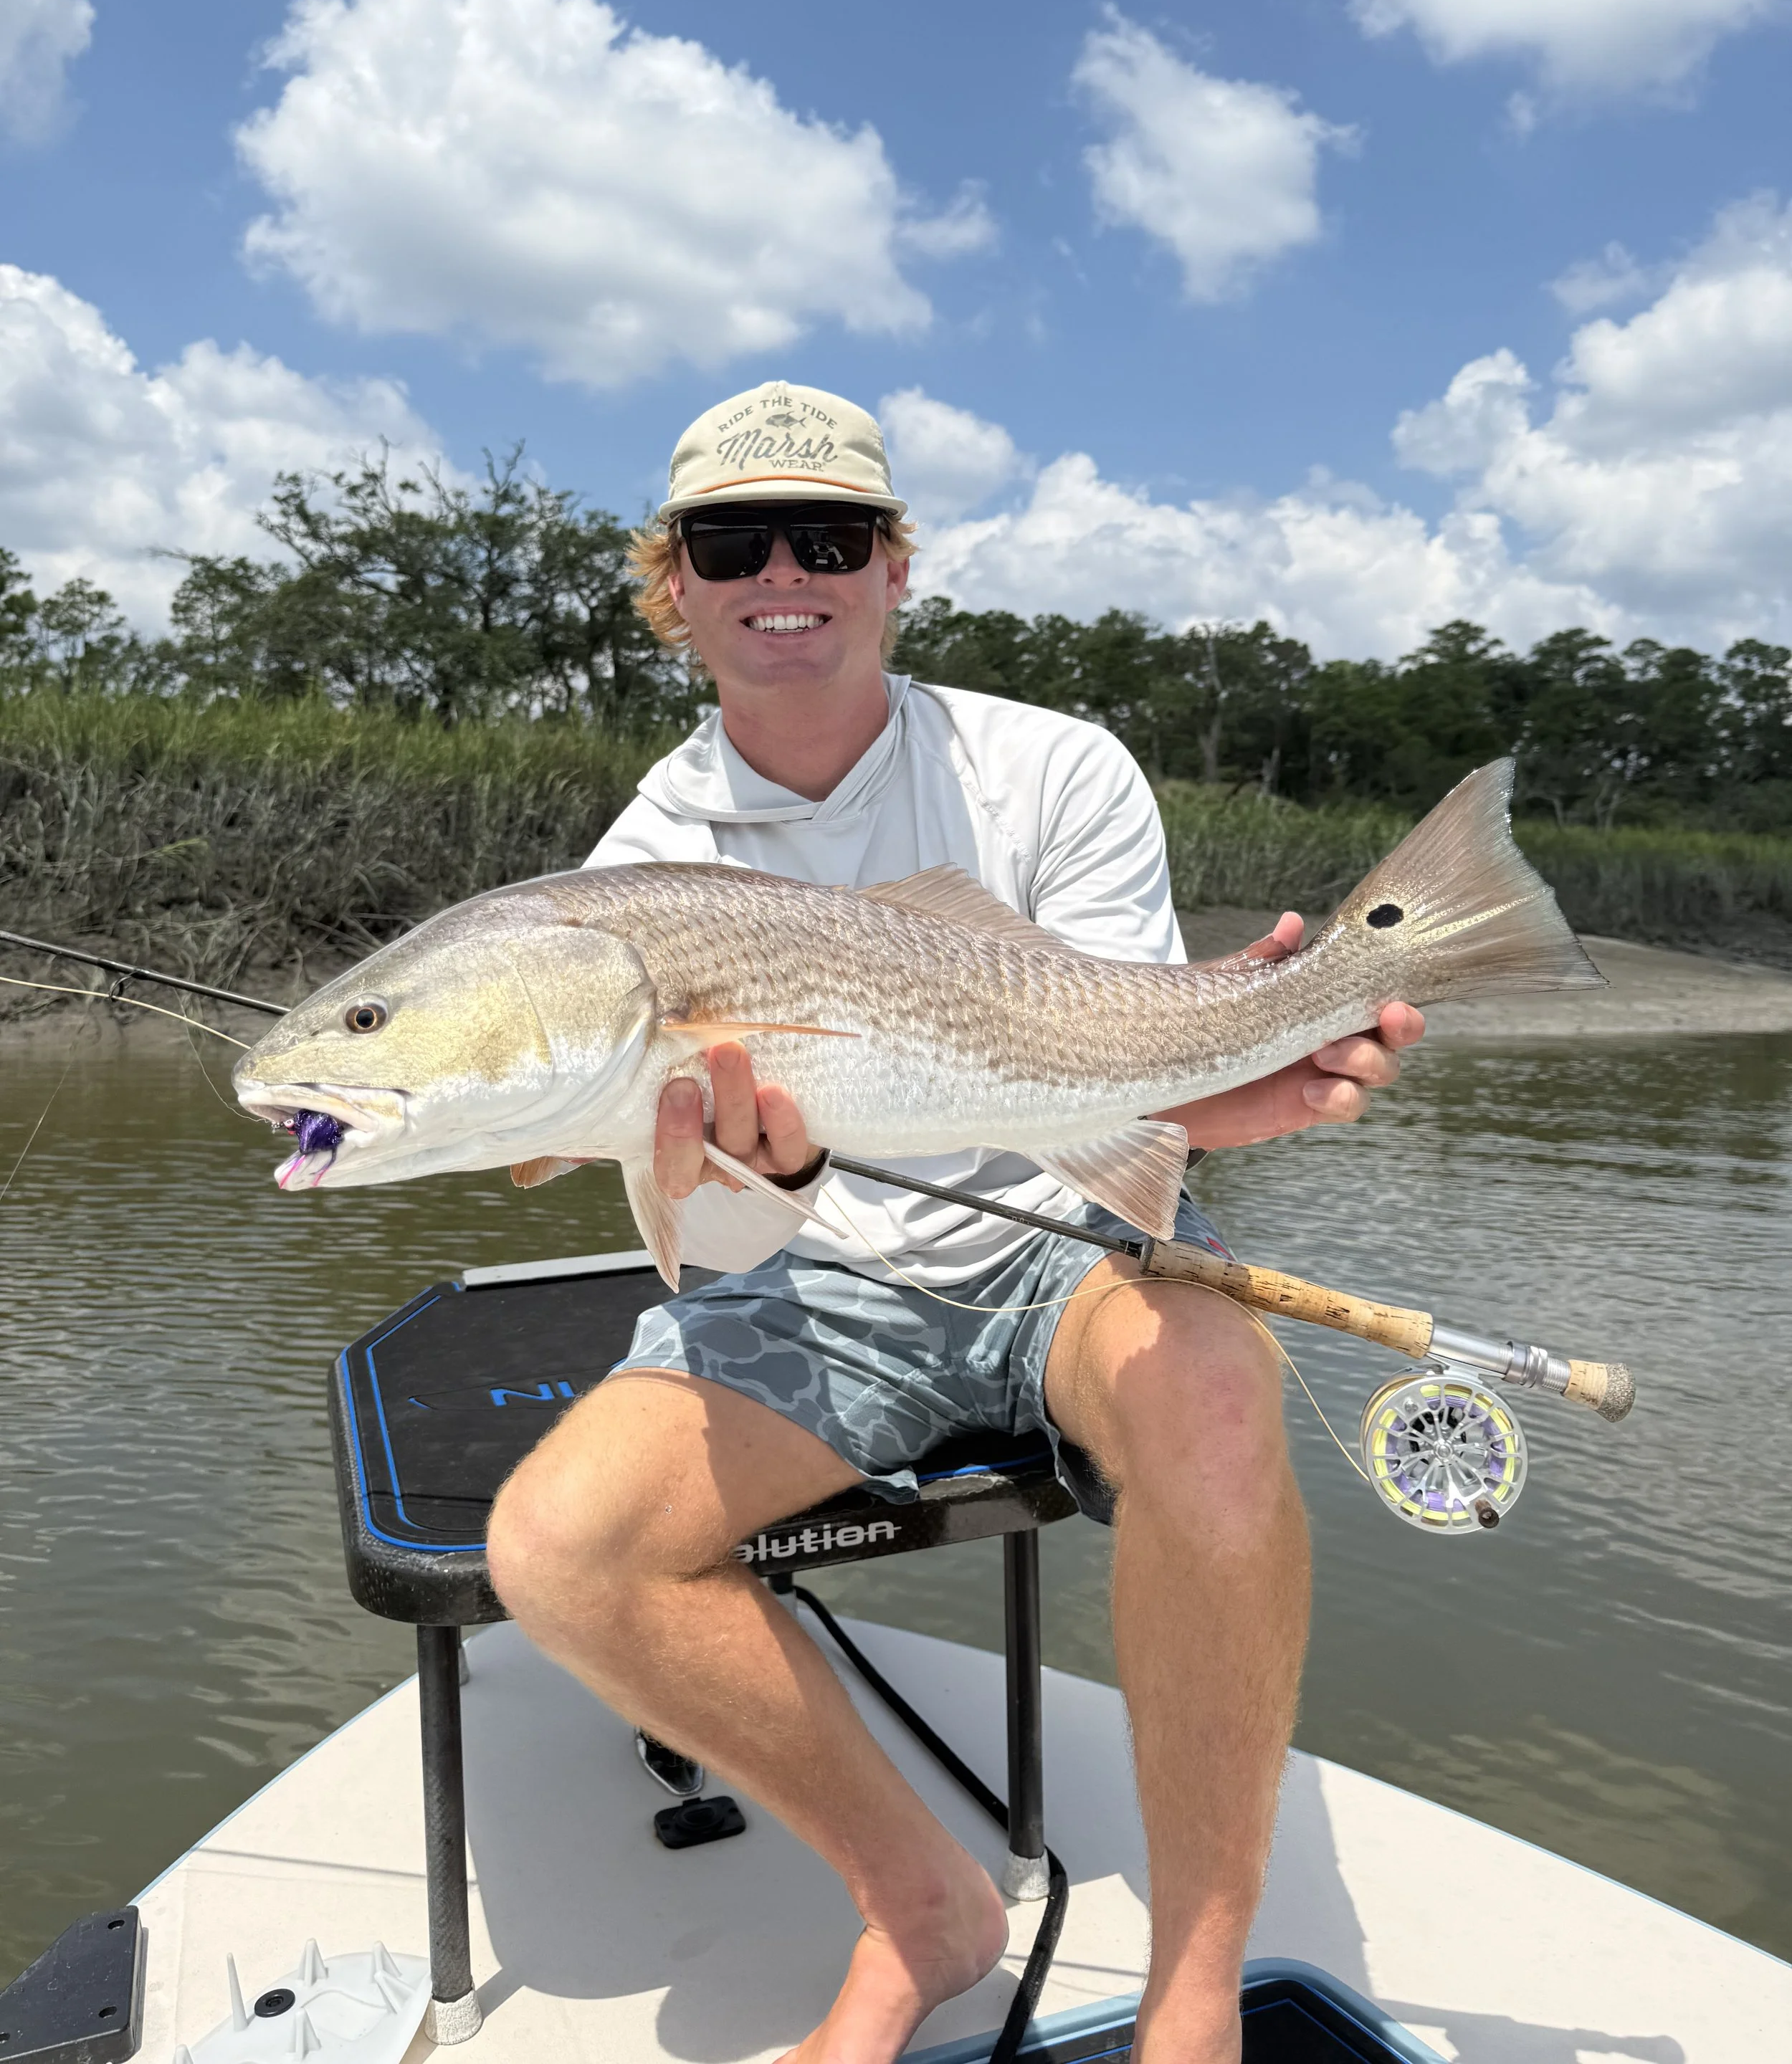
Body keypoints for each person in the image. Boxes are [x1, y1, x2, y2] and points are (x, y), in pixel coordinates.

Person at [486, 381, 1425, 2064]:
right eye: (730, 540)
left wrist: (1240, 1072)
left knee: (1215, 1401)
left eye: (830, 533)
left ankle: (1197, 1988)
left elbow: (1102, 1056)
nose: (787, 570)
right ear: (675, 583)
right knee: (555, 1546)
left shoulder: (1048, 766)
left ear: (895, 566)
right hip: (821, 1281)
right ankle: (921, 1907)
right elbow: (700, 1232)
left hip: (1065, 1240)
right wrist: (760, 1179)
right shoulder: (644, 859)